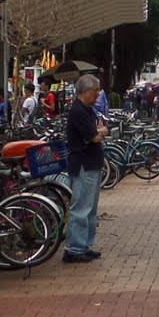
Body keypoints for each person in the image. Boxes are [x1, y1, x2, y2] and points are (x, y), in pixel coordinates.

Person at [62, 74, 107, 263]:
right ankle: (74, 248)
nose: (98, 94)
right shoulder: (78, 111)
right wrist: (100, 132)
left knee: (90, 208)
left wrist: (100, 131)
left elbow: (99, 131)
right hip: (83, 164)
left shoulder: (88, 110)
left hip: (92, 163)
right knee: (81, 207)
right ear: (85, 91)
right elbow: (95, 135)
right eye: (95, 90)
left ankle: (84, 245)